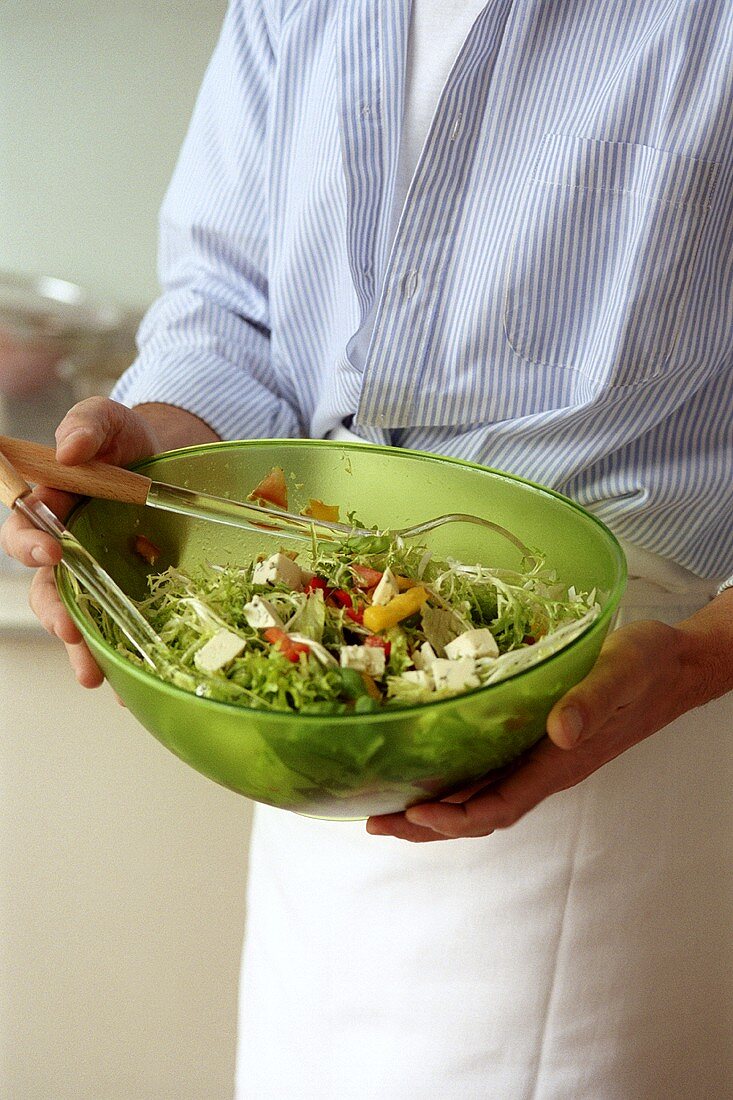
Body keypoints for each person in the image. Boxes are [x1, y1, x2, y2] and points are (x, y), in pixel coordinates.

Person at [2, 2, 732, 1096]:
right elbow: (229, 305)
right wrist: (154, 448)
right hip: (327, 697)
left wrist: (701, 659)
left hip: (623, 726)